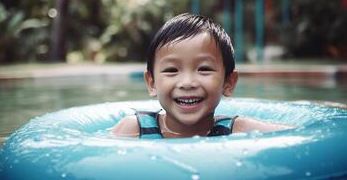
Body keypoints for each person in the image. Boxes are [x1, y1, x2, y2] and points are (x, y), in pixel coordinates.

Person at [111, 13, 292, 138]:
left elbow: (303, 134)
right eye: (172, 70)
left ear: (228, 82)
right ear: (151, 83)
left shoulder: (238, 130)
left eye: (204, 69)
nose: (187, 82)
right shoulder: (133, 130)